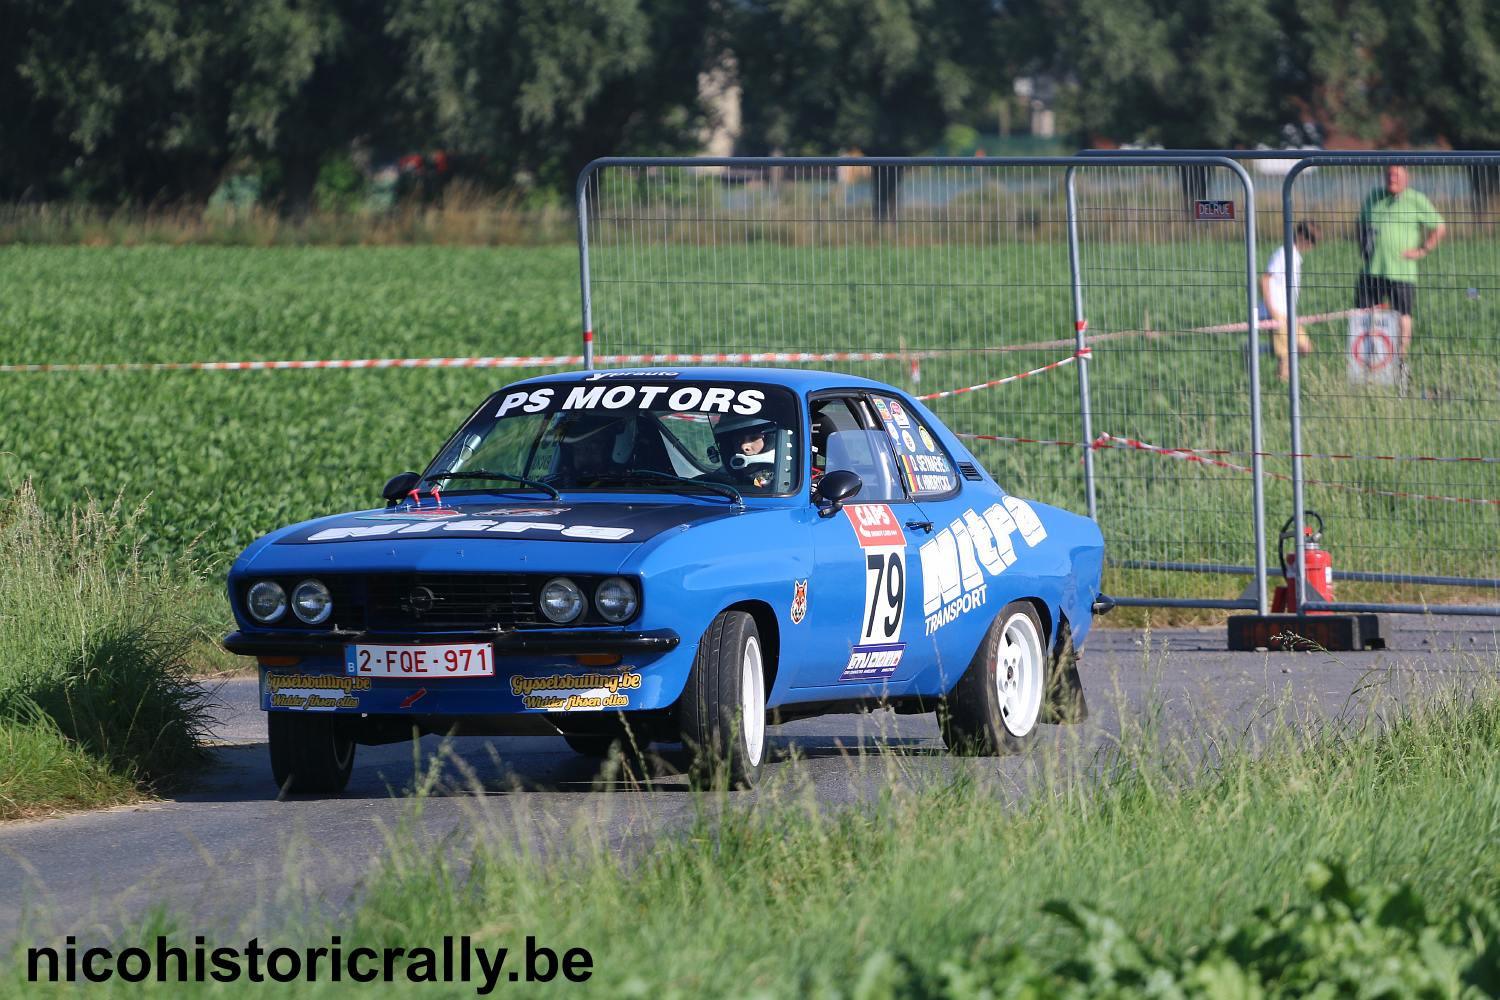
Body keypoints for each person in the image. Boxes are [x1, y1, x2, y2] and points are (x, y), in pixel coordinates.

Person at [1354, 165, 1445, 382]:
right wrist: (1362, 246)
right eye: (1388, 175)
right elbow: (1360, 223)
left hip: (1402, 272)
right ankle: (1363, 365)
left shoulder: (1416, 199)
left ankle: (1400, 360)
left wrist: (1423, 249)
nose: (1391, 178)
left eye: (1396, 175)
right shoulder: (1374, 196)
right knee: (1363, 314)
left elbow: (1439, 226)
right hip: (1372, 270)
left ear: (1406, 178)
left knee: (1402, 315)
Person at [1259, 221, 1320, 382]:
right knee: (1286, 358)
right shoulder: (1283, 254)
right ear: (1300, 236)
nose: (1313, 245)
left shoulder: (1295, 257)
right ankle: (1281, 388)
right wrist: (1272, 312)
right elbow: (1265, 279)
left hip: (1288, 313)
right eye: (1312, 240)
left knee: (1305, 348)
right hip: (1276, 312)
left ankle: (1256, 350)